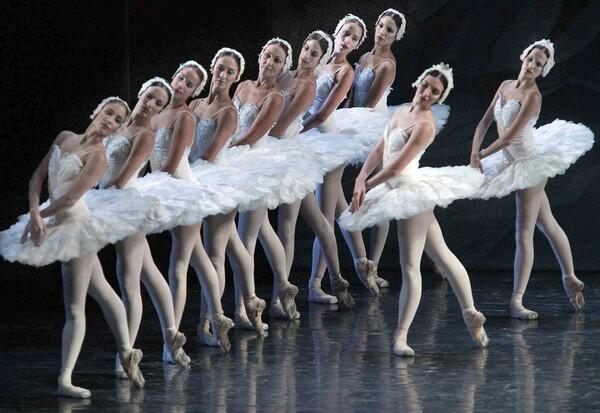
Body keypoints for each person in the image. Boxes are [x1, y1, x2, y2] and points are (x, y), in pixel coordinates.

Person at [0, 97, 146, 397]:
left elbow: (68, 199)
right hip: (51, 220)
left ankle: (65, 378)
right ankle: (127, 352)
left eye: (119, 120)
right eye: (109, 113)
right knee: (103, 290)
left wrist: (41, 215)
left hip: (75, 227)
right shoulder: (65, 137)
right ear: (97, 111)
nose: (111, 121)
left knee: (75, 307)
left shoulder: (99, 157)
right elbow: (37, 178)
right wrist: (34, 212)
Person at [340, 64, 488, 356]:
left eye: (435, 91)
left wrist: (366, 187)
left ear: (439, 96)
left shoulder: (425, 125)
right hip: (393, 188)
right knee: (442, 254)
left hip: (409, 192)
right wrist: (359, 178)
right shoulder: (401, 112)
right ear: (418, 82)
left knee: (410, 266)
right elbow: (380, 149)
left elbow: (395, 167)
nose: (428, 92)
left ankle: (400, 336)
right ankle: (470, 312)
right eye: (426, 85)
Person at [469, 40, 594, 319]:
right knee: (546, 222)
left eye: (539, 63)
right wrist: (474, 154)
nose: (532, 65)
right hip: (507, 160)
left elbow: (510, 136)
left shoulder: (533, 96)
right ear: (523, 57)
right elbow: (484, 122)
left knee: (524, 232)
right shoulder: (504, 85)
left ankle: (517, 300)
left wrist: (483, 154)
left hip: (528, 164)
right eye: (531, 59)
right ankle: (569, 276)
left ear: (542, 70)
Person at [98, 78, 191, 375]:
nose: (151, 106)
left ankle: (125, 354)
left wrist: (93, 199)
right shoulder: (119, 124)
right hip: (108, 200)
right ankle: (171, 335)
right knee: (148, 271)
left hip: (123, 204)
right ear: (140, 93)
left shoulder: (144, 135)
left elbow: (121, 179)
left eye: (158, 104)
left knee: (128, 281)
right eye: (149, 97)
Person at [150, 69, 234, 351]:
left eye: (190, 83)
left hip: (181, 190)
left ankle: (171, 340)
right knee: (198, 257)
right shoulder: (157, 112)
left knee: (179, 266)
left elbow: (171, 165)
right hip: (165, 188)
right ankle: (217, 317)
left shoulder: (185, 116)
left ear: (195, 91)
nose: (182, 85)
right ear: (171, 78)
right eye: (180, 78)